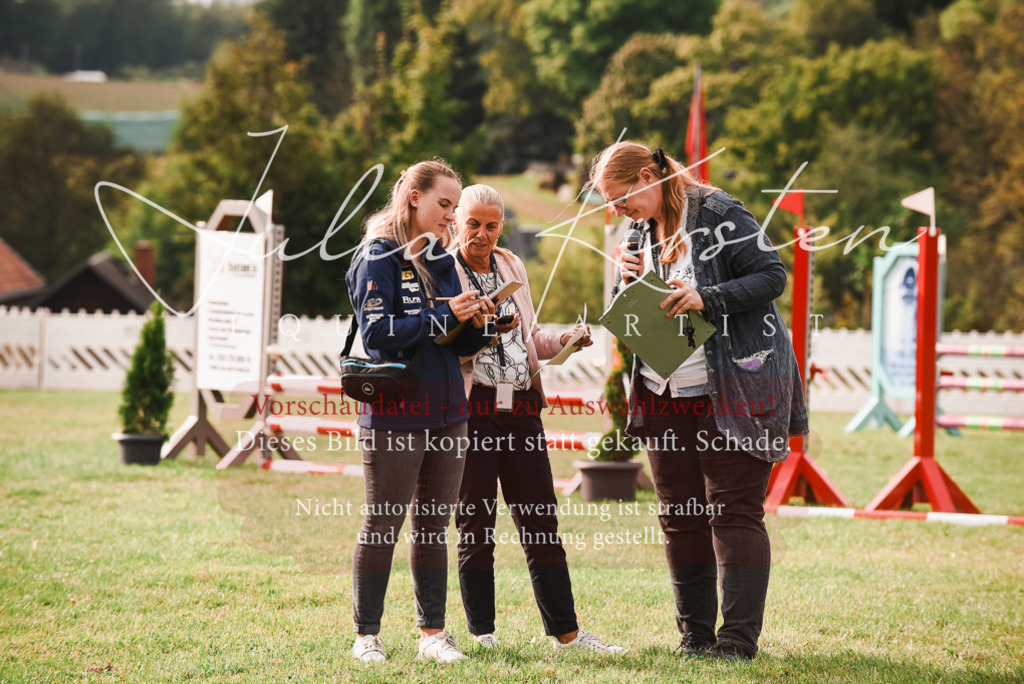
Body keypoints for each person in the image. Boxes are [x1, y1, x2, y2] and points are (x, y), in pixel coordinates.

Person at [590, 142, 808, 661]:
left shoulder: (719, 213)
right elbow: (643, 307)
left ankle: (736, 641)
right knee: (679, 513)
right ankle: (695, 636)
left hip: (733, 385)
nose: (618, 213)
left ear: (648, 176)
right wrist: (628, 280)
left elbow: (772, 276)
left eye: (621, 200)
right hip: (663, 388)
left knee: (733, 512)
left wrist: (708, 297)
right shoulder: (639, 228)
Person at [450, 184, 624, 654]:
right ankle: (481, 633)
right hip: (473, 408)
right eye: (473, 224)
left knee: (541, 520)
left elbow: (529, 337)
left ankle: (566, 632)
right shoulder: (445, 271)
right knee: (476, 522)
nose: (482, 234)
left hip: (522, 404)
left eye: (491, 225)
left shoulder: (512, 265)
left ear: (502, 225)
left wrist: (566, 338)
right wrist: (481, 328)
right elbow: (445, 340)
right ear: (456, 222)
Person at [345, 160, 495, 664]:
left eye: (455, 207)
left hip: (450, 408)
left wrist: (481, 321)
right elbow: (378, 334)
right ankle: (366, 637)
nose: (452, 217)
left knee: (433, 525)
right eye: (445, 205)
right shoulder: (378, 254)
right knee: (383, 523)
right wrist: (442, 314)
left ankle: (433, 634)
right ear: (413, 196)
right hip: (393, 410)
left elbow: (457, 341)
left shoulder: (442, 257)